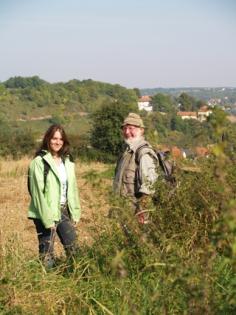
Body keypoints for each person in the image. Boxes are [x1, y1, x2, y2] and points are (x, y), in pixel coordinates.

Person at [28, 124, 81, 268]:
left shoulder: (68, 161)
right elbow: (37, 193)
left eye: (60, 139)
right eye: (54, 138)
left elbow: (73, 189)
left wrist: (75, 212)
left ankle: (79, 277)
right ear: (48, 139)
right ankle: (47, 284)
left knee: (74, 247)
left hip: (63, 210)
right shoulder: (38, 162)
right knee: (47, 252)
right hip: (45, 212)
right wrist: (47, 219)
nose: (57, 142)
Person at [113, 113, 158, 224]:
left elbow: (149, 187)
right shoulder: (126, 153)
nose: (127, 132)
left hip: (137, 217)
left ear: (141, 130)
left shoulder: (144, 154)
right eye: (125, 128)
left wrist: (142, 214)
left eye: (131, 128)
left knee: (140, 241)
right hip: (123, 213)